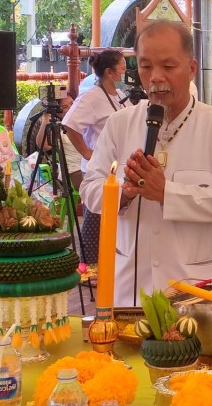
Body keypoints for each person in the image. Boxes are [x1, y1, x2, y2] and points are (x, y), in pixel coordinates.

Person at [80, 21, 212, 307]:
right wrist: (123, 192)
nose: (156, 78)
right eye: (145, 67)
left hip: (196, 290)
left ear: (192, 68)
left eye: (168, 67)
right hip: (131, 288)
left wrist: (166, 193)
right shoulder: (120, 124)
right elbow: (90, 189)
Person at [63, 50, 133, 264]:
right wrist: (86, 151)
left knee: (114, 219)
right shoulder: (92, 96)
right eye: (122, 67)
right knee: (96, 215)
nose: (125, 70)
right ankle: (90, 265)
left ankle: (110, 263)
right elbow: (70, 124)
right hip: (98, 167)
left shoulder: (121, 96)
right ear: (110, 72)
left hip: (119, 166)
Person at [35, 96, 84, 191]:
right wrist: (46, 118)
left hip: (90, 167)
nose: (71, 108)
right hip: (74, 171)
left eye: (72, 104)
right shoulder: (58, 127)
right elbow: (43, 145)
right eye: (65, 107)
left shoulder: (83, 121)